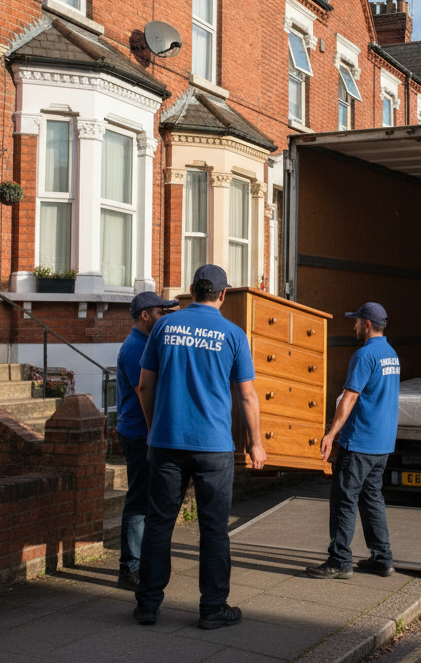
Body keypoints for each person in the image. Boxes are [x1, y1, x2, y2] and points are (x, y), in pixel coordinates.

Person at [133, 265, 267, 629]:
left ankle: (147, 605)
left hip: (166, 443)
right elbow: (248, 395)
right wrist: (257, 443)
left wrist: (153, 429)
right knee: (213, 529)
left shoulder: (163, 326)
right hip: (214, 447)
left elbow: (144, 387)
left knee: (159, 525)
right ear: (223, 295)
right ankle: (212, 608)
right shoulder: (233, 334)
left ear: (191, 289)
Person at [308, 302, 400, 580]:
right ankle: (382, 558)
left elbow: (349, 398)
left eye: (357, 321)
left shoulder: (364, 355)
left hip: (359, 441)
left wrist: (331, 433)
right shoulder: (392, 354)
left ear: (368, 324)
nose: (354, 326)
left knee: (344, 500)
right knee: (372, 499)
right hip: (382, 443)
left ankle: (339, 560)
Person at [113, 291, 179, 589]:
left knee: (149, 500)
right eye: (160, 312)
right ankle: (130, 568)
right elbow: (143, 389)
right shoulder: (134, 349)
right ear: (145, 315)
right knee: (139, 501)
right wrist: (154, 430)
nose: (163, 317)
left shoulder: (146, 343)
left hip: (145, 433)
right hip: (140, 435)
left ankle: (143, 563)